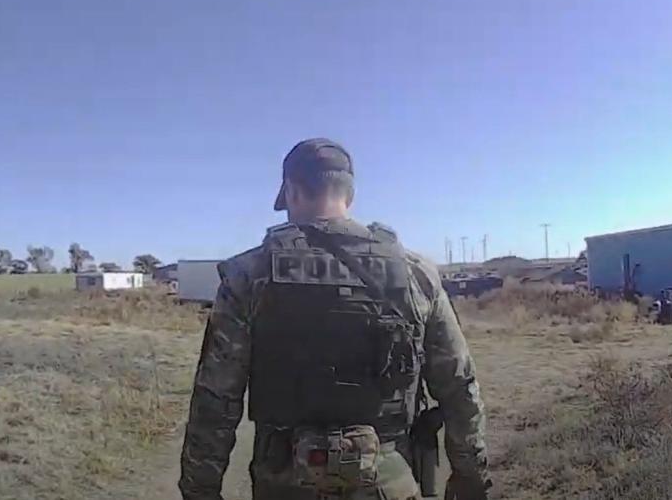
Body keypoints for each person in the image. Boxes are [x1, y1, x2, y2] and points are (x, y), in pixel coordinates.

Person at [179, 138, 492, 500]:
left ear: (292, 192)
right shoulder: (415, 274)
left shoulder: (249, 274)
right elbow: (458, 385)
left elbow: (215, 399)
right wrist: (470, 478)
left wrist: (200, 490)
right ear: (350, 195)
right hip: (386, 481)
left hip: (284, 484)